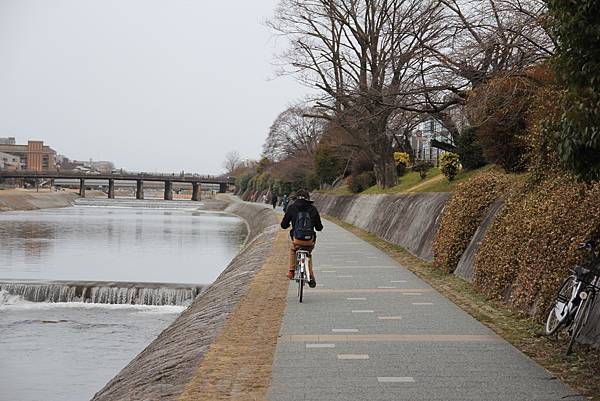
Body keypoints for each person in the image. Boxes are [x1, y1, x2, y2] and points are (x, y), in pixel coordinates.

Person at [280, 189, 323, 288]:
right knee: (308, 254)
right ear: (308, 198)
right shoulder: (312, 209)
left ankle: (291, 271)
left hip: (297, 239)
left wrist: (289, 224)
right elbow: (319, 227)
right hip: (309, 240)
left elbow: (283, 225)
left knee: (293, 249)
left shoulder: (292, 208)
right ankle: (311, 276)